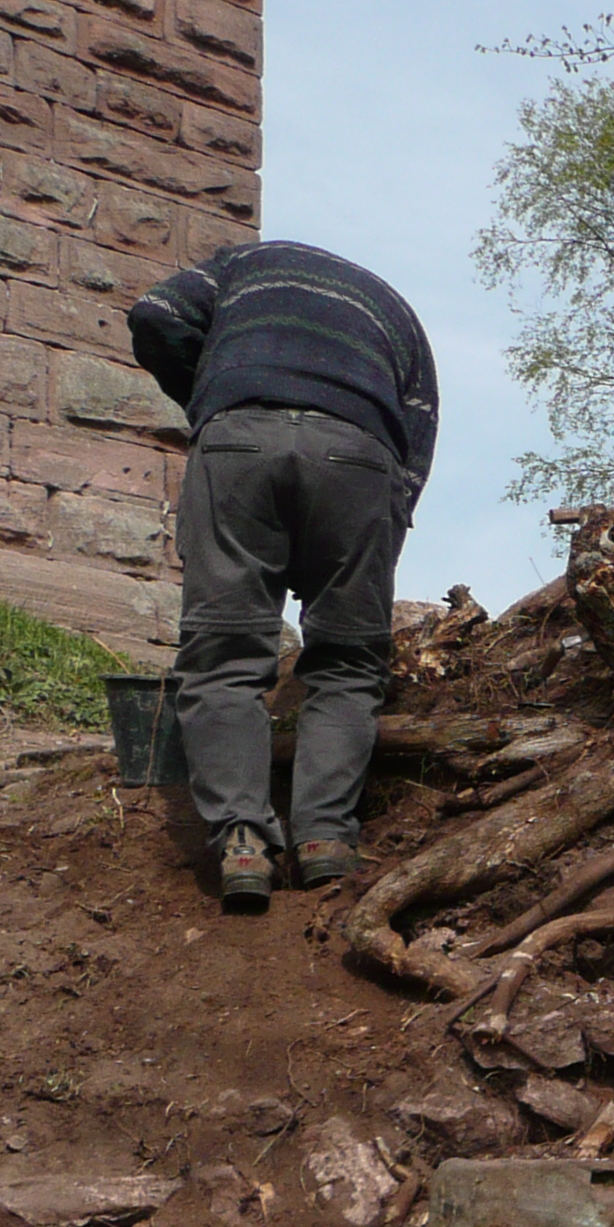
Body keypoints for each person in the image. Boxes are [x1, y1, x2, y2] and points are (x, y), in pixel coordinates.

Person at [129, 241, 438, 910]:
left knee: (223, 652)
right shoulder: (393, 308)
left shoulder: (242, 264)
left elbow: (156, 314)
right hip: (360, 458)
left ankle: (242, 841)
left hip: (237, 440)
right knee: (349, 659)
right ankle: (324, 838)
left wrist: (215, 398)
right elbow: (417, 435)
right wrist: (378, 530)